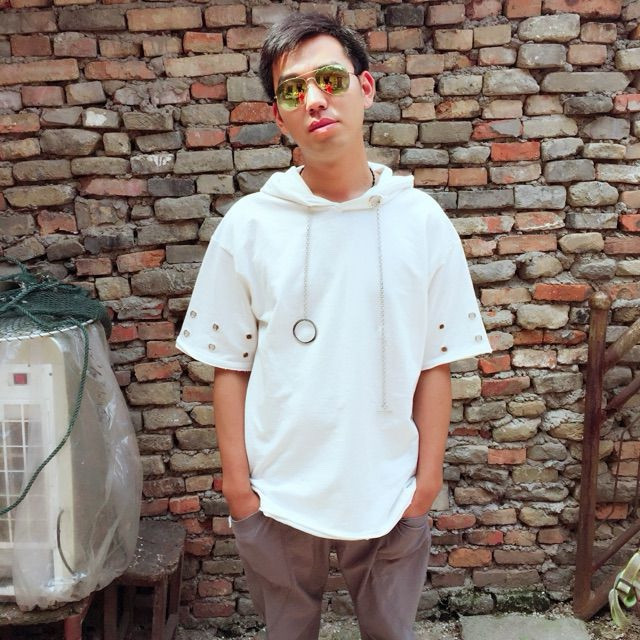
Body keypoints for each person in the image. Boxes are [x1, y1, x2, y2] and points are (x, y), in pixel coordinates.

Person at [176, 12, 491, 640]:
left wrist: (426, 481)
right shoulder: (250, 226)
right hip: (278, 494)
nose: (314, 100)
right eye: (293, 90)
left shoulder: (421, 222)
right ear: (278, 116)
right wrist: (240, 491)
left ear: (365, 87)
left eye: (329, 79)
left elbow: (435, 361)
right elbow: (230, 364)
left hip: (390, 488)